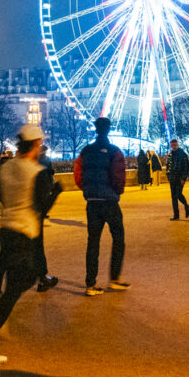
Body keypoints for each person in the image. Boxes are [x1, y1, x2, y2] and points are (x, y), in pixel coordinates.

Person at [0, 124, 60, 365]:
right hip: (24, 232)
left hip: (5, 229)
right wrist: (57, 193)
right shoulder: (37, 173)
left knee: (18, 281)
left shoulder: (4, 167)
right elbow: (42, 209)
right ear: (35, 145)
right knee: (20, 284)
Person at [74, 117, 129, 296]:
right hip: (109, 201)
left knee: (93, 242)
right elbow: (118, 176)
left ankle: (90, 284)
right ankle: (114, 278)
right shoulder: (114, 151)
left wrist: (88, 189)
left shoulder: (86, 151)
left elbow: (78, 174)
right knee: (118, 238)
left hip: (92, 202)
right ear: (109, 129)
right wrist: (116, 192)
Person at [165, 139, 189, 221]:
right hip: (172, 178)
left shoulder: (182, 154)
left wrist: (183, 178)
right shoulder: (170, 155)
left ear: (177, 144)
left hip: (179, 178)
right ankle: (176, 215)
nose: (173, 146)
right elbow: (168, 166)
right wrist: (168, 175)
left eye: (175, 144)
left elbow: (186, 167)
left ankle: (186, 206)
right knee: (173, 197)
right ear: (170, 145)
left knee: (179, 194)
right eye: (172, 145)